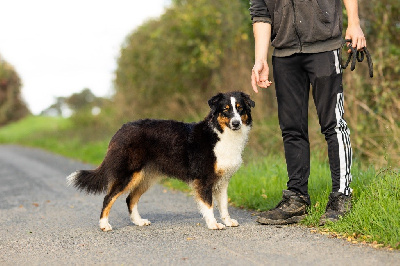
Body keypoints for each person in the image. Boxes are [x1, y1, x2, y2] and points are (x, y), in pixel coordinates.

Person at [249, 0, 366, 225]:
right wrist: (260, 58)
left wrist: (354, 22)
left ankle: (342, 195)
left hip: (323, 47)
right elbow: (261, 13)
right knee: (291, 128)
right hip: (284, 54)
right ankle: (297, 200)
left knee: (334, 123)